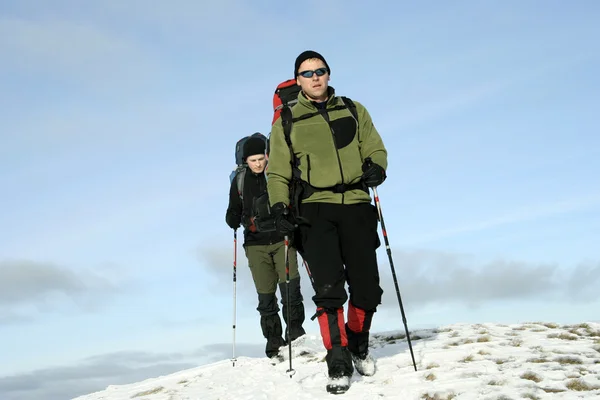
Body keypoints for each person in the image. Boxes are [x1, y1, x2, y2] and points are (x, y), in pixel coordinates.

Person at [266, 50, 388, 393]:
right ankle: (337, 356)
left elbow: (375, 147)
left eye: (320, 71)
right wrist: (279, 207)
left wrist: (377, 166)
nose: (315, 77)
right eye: (307, 73)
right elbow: (277, 171)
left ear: (329, 74)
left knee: (367, 287)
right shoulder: (287, 121)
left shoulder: (353, 108)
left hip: (357, 204)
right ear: (298, 80)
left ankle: (357, 341)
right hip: (314, 210)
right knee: (329, 289)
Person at [225, 136, 306, 359]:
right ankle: (273, 341)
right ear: (246, 160)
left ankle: (296, 333)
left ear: (267, 157)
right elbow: (233, 209)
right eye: (253, 160)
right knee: (266, 296)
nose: (258, 164)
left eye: (261, 158)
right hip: (255, 244)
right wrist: (231, 218)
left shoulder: (277, 174)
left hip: (282, 240)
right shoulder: (239, 182)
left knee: (290, 288)